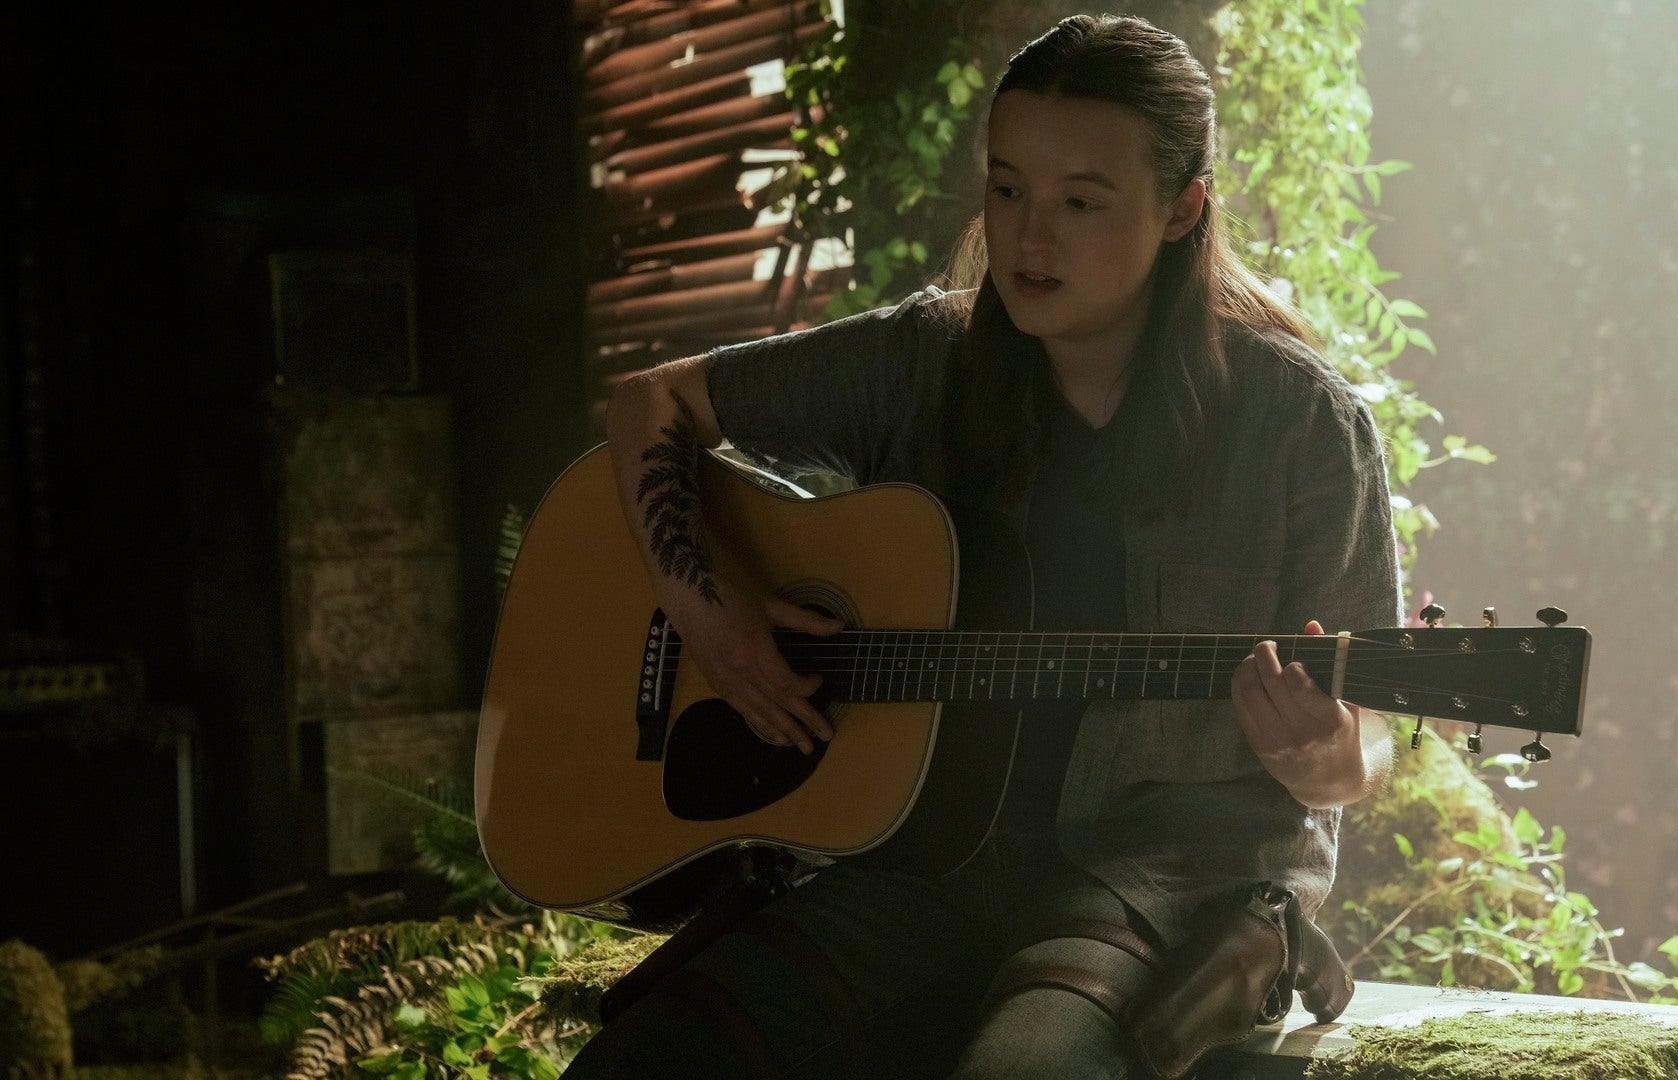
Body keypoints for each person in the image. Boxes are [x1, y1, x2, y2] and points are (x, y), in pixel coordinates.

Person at [568, 13, 1402, 1079]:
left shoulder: (1301, 424)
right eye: (1008, 190)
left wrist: (1320, 756)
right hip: (912, 876)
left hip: (1156, 892)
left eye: (1080, 202)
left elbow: (1365, 743)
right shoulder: (923, 362)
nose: (1029, 238)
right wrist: (709, 609)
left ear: (1183, 208)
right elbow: (651, 404)